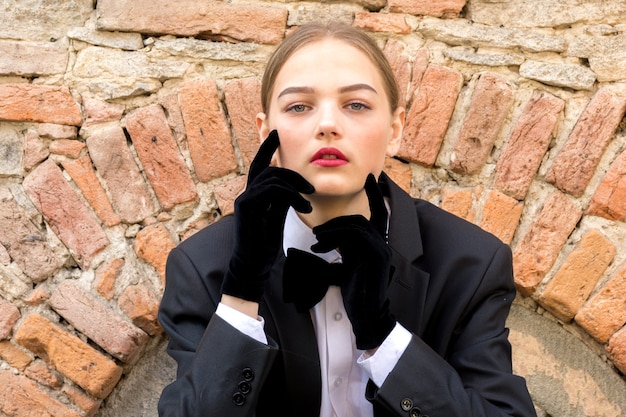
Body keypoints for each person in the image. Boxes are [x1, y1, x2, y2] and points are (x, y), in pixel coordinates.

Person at [157, 21, 536, 417]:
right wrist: (240, 298)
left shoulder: (471, 264)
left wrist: (384, 337)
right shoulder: (201, 267)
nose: (327, 125)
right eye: (299, 106)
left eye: (356, 104)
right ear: (266, 131)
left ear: (395, 129)